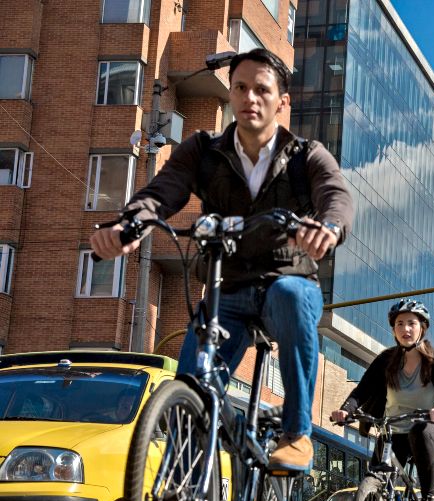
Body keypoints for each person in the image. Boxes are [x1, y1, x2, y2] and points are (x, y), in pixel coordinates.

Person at [89, 47, 353, 472]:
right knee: (192, 388)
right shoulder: (204, 150)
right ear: (231, 94)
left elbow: (335, 196)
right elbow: (161, 193)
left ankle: (296, 434)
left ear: (281, 101)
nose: (250, 97)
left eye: (262, 90)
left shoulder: (307, 155)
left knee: (290, 294)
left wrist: (329, 227)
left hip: (284, 280)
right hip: (226, 287)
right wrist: (128, 227)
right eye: (241, 88)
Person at [330, 299, 434, 501]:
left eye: (411, 323)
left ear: (423, 327)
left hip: (431, 432)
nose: (405, 329)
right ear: (393, 330)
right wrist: (345, 410)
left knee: (419, 431)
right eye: (399, 324)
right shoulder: (386, 360)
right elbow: (362, 391)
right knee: (374, 480)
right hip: (394, 433)